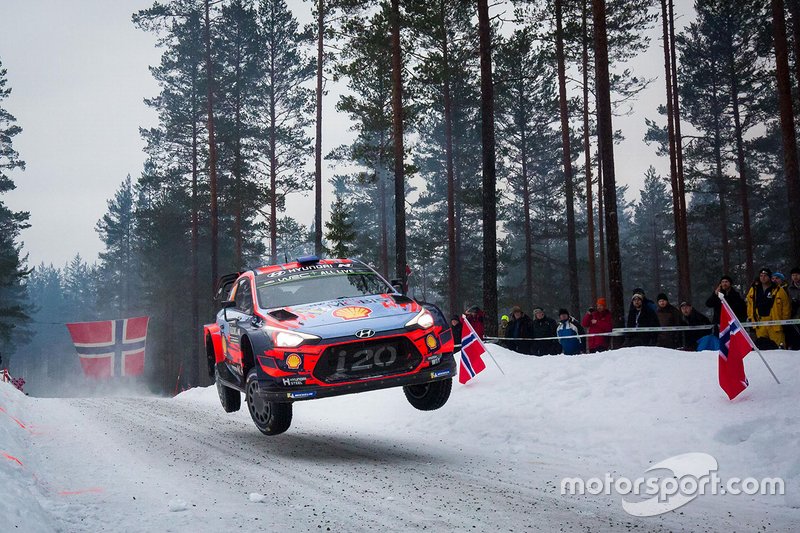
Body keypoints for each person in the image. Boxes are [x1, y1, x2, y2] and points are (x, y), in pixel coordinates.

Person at [745, 267, 792, 349]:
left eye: (765, 275)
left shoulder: (778, 290)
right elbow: (749, 304)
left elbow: (786, 306)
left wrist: (785, 322)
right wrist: (750, 318)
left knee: (779, 347)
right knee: (762, 347)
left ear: (770, 277)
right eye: (761, 275)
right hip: (760, 322)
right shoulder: (754, 289)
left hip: (775, 322)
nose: (763, 277)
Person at [787, 267, 800, 350]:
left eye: (797, 275)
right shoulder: (789, 288)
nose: (795, 277)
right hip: (795, 317)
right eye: (793, 275)